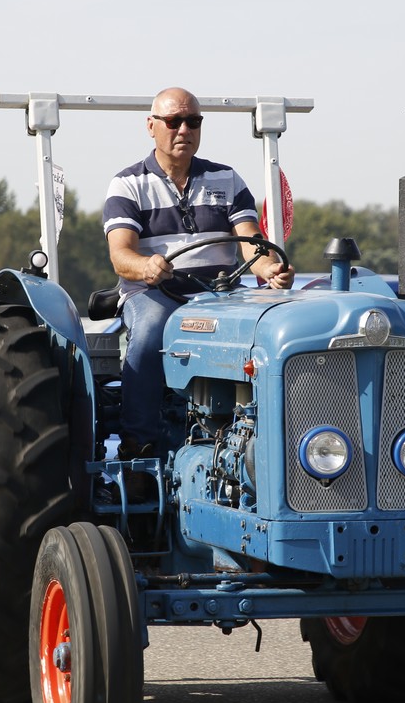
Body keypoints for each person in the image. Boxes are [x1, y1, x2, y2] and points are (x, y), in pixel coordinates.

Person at [103, 87, 293, 459]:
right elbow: (121, 254)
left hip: (220, 295)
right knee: (151, 329)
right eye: (173, 121)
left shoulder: (227, 178)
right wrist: (146, 266)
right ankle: (138, 444)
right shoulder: (128, 184)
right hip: (155, 293)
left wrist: (269, 267)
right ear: (151, 126)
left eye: (193, 121)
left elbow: (250, 241)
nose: (184, 130)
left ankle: (266, 439)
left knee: (271, 329)